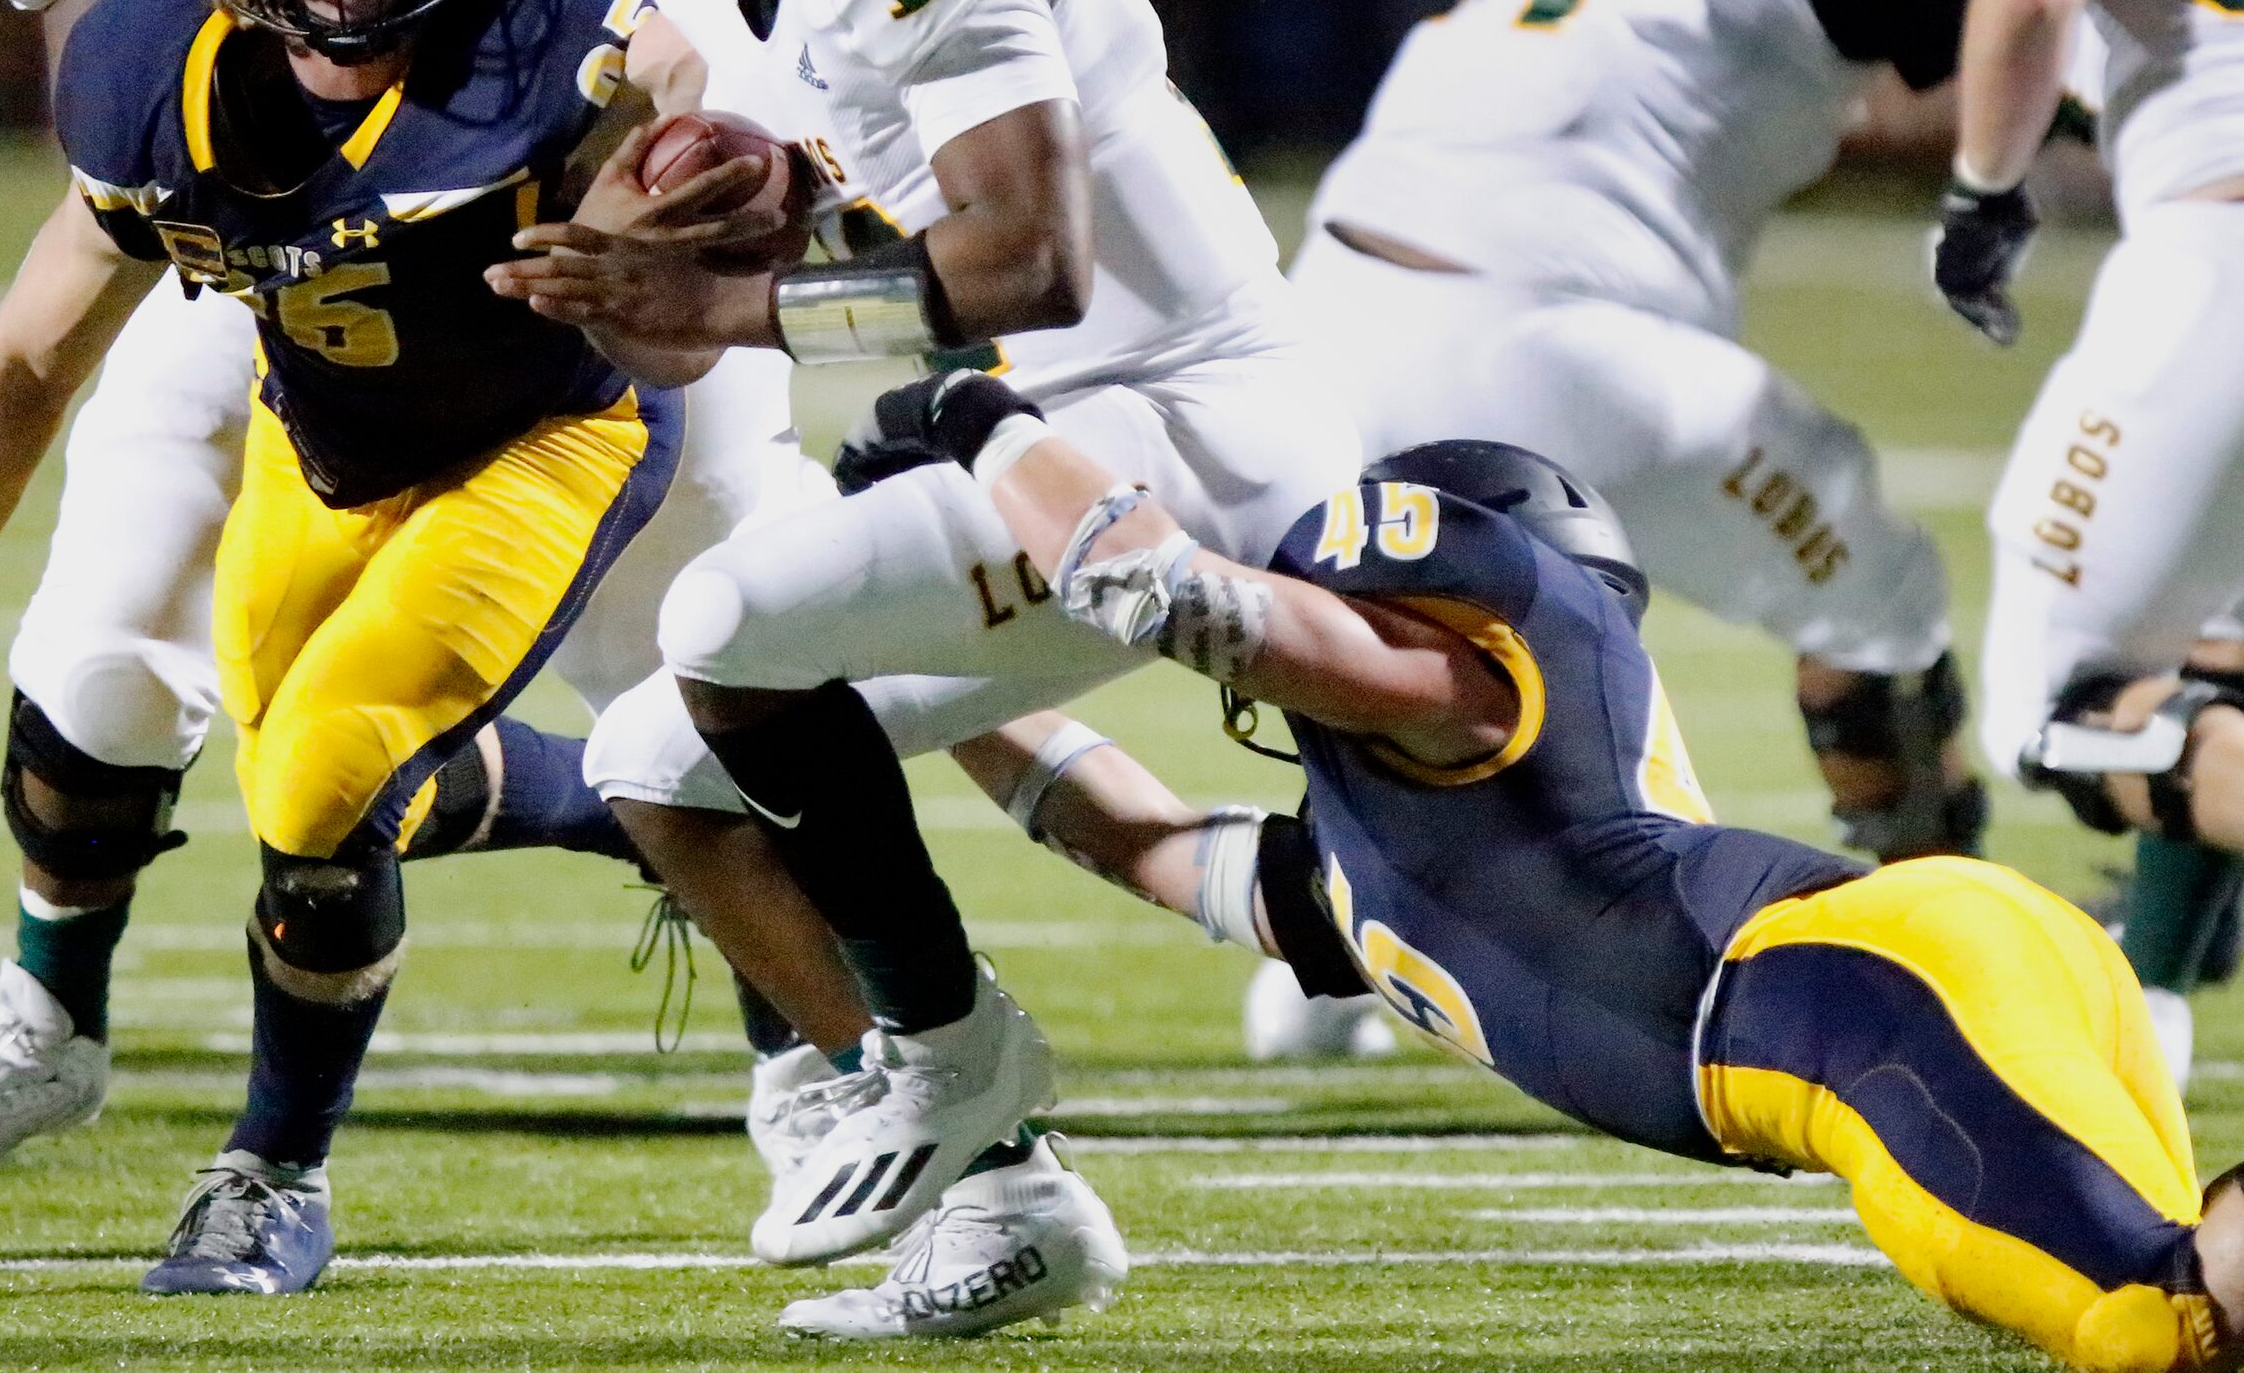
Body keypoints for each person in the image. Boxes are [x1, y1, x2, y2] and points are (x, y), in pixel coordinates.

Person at [489, 0, 1359, 1267]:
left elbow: (1030, 256)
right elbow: (707, 329)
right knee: (657, 757)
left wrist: (733, 302)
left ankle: (956, 1053)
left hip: (1181, 429)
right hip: (1036, 436)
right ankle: (1007, 1187)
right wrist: (625, 281)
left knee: (729, 617)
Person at [0, 0, 688, 1294]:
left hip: (541, 438)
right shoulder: (150, 63)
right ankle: (654, 796)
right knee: (328, 777)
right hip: (318, 441)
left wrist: (695, 198)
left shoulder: (575, 25)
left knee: (323, 776)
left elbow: (719, 112)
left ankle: (271, 1174)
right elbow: (23, 357)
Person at [863, 364, 2244, 1373]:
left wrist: (978, 421)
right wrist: (903, 675)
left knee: (2150, 1321)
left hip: (1869, 1001)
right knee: (2175, 1305)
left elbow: (1177, 597)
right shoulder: (1380, 856)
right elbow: (1131, 832)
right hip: (1909, 975)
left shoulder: (1462, 684)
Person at [1267, 0, 1998, 1055]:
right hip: (1550, 335)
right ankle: (1960, 960)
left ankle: (1327, 955)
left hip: (1326, 303)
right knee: (1879, 582)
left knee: (1482, 648)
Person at [1928, 0, 2244, 1089]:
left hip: (2226, 253)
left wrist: (1986, 191)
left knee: (2056, 702)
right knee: (2222, 645)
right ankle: (2154, 988)